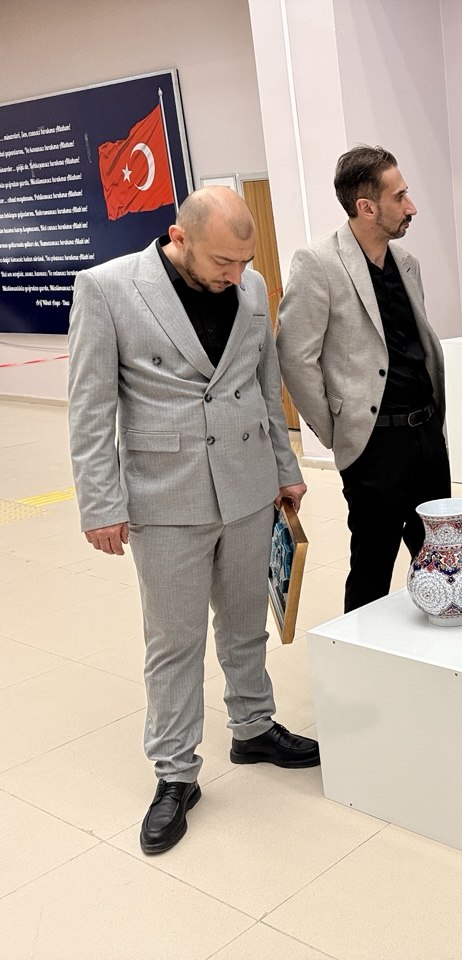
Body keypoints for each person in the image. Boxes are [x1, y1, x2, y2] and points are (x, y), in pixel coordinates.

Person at [67, 187, 318, 856]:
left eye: (244, 261)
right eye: (221, 262)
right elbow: (90, 409)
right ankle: (175, 772)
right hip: (164, 494)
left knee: (244, 621)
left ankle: (253, 727)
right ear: (178, 238)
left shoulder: (251, 285)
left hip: (246, 484)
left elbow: (263, 385)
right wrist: (101, 503)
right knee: (174, 640)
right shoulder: (107, 289)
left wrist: (284, 465)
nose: (235, 275)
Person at [277, 146, 450, 613]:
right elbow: (295, 358)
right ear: (366, 207)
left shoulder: (406, 262)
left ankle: (439, 641)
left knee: (442, 560)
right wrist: (337, 431)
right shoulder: (318, 263)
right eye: (400, 197)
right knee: (373, 565)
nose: (411, 206)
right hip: (374, 445)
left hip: (426, 436)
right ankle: (356, 652)